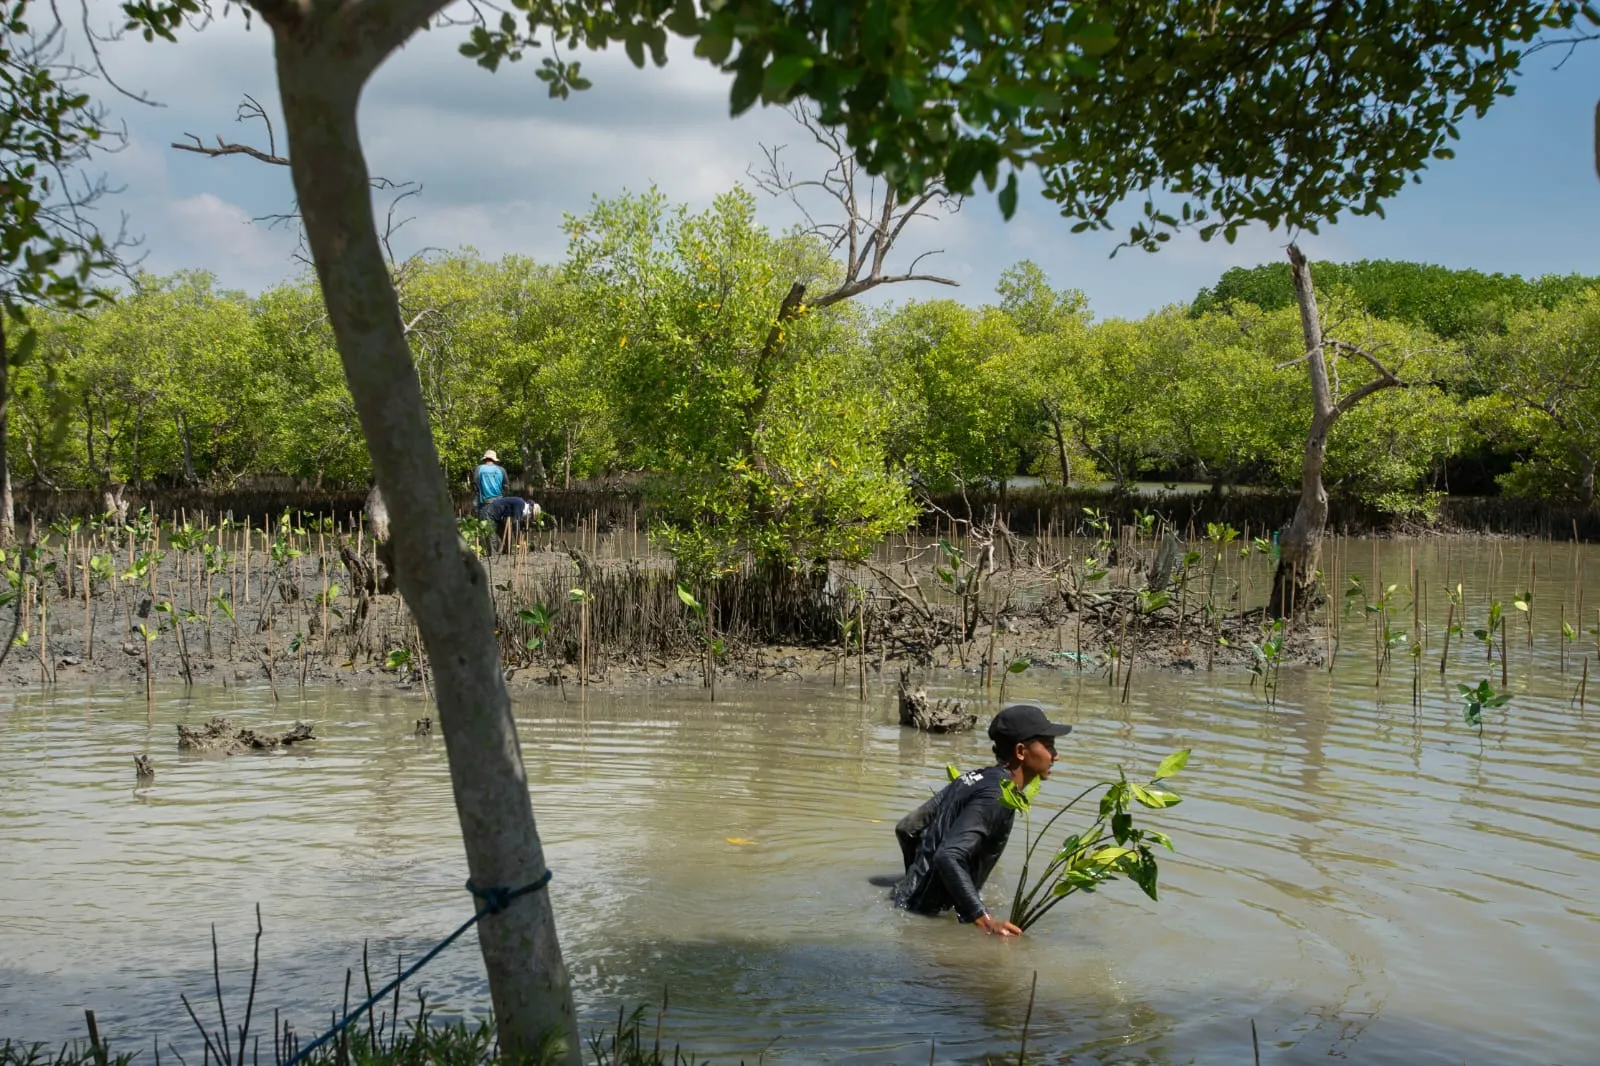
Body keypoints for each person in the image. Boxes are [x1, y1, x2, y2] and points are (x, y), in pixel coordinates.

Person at [891, 704, 1072, 936]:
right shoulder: (998, 796)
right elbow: (949, 855)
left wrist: (913, 883)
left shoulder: (973, 778)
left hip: (904, 904)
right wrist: (984, 920)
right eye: (1048, 746)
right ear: (1020, 751)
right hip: (925, 922)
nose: (1056, 755)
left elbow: (907, 828)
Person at [472, 449, 507, 519]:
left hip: (485, 504)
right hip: (499, 503)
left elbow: (475, 487)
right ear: (494, 460)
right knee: (498, 526)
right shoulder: (501, 470)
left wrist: (476, 506)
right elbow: (506, 486)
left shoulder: (478, 469)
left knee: (486, 528)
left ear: (485, 459)